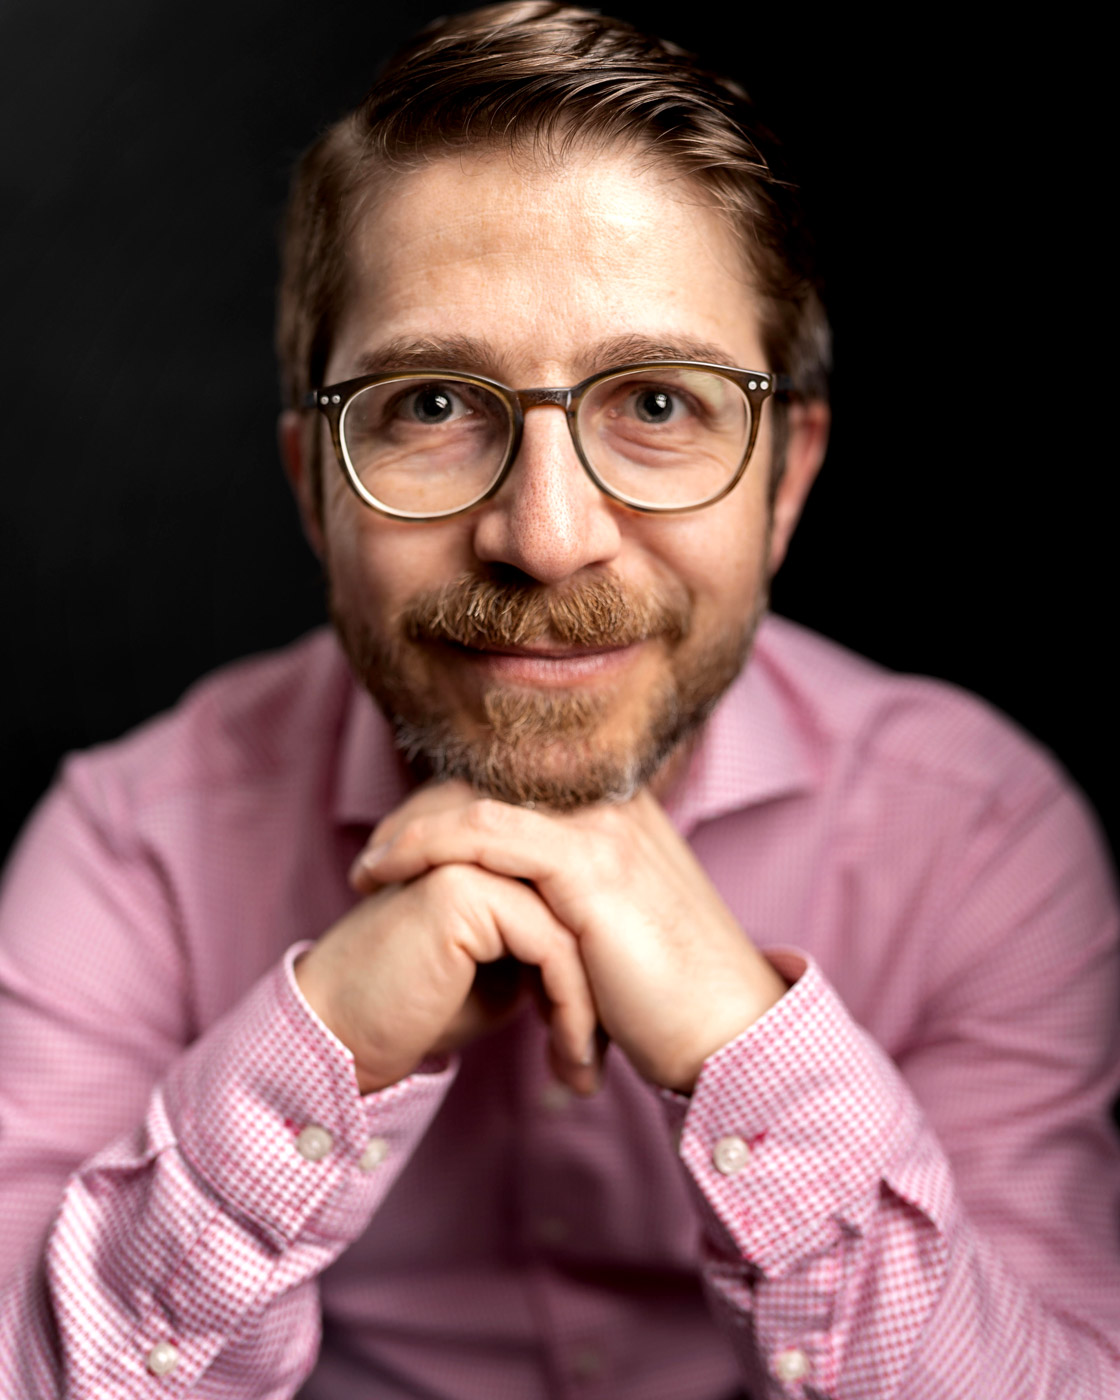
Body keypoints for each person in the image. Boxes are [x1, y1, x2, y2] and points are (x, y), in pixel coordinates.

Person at [0, 2, 1117, 1395]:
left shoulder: (985, 841)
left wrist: (741, 1044)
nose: (545, 537)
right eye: (427, 406)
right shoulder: (129, 847)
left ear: (789, 479)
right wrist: (320, 1051)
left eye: (657, 405)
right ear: (309, 488)